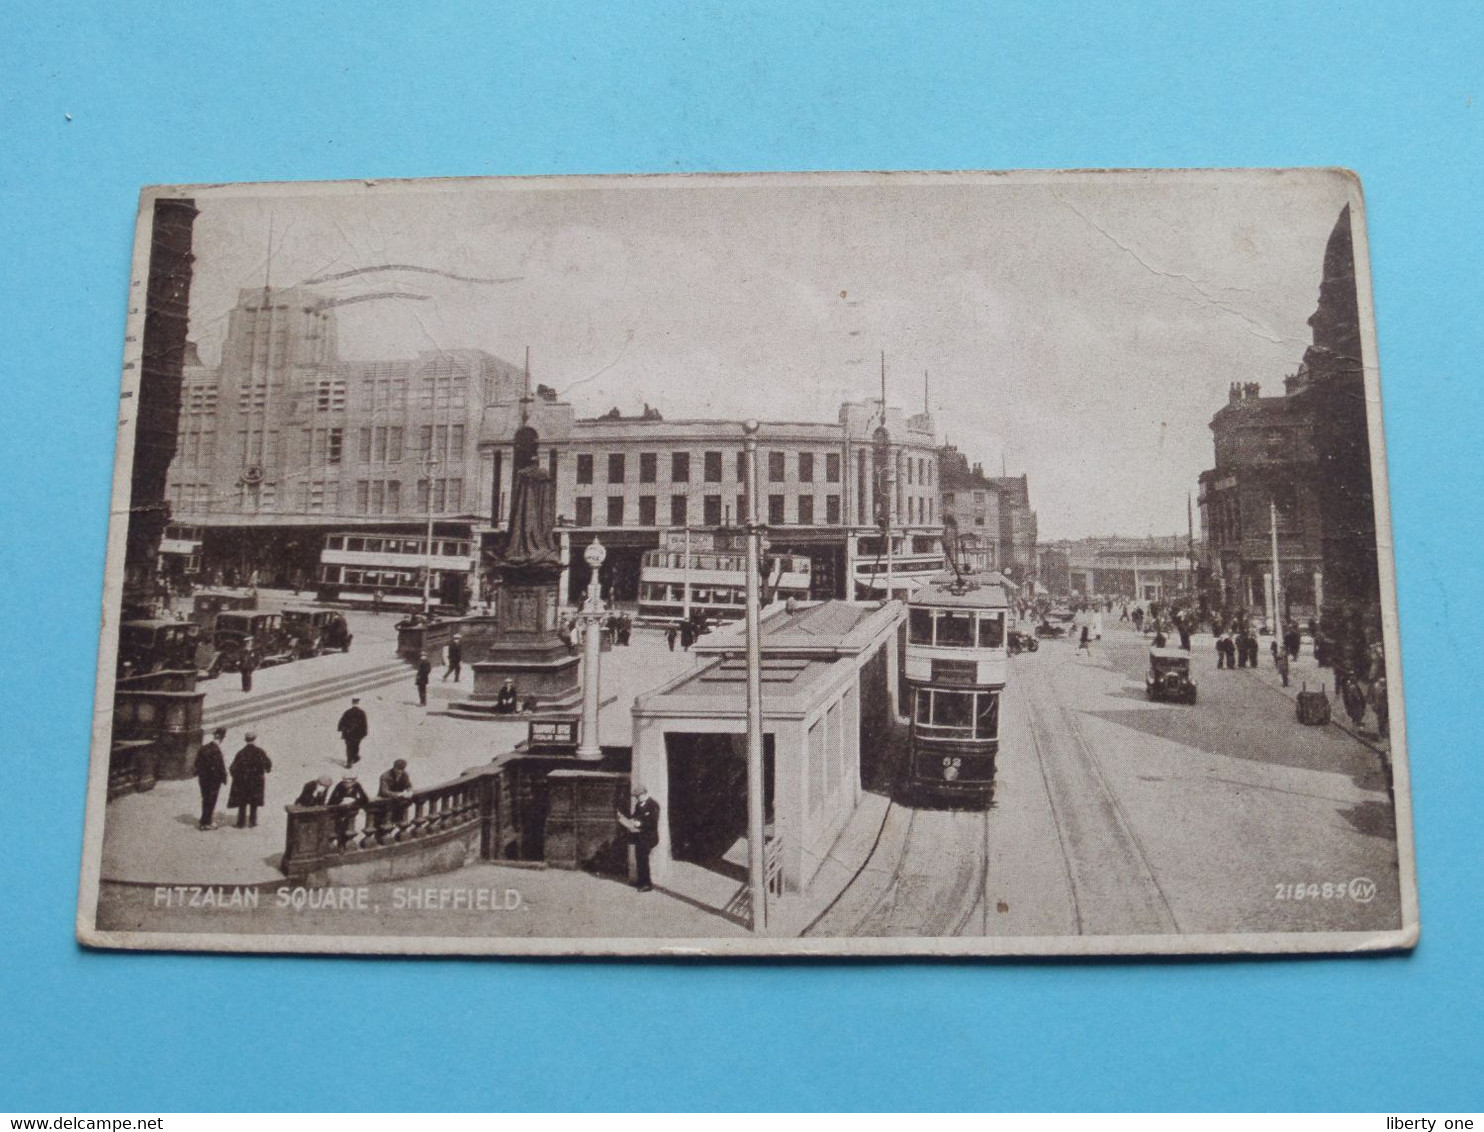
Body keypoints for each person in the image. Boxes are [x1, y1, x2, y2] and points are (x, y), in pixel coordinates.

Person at [616, 786, 661, 892]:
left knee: (644, 860)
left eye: (638, 796)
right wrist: (626, 819)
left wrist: (640, 823)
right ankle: (641, 881)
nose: (637, 798)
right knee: (639, 859)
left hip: (648, 837)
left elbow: (653, 822)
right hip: (639, 837)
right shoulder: (638, 805)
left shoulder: (653, 805)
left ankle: (647, 884)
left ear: (645, 793)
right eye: (636, 796)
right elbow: (634, 816)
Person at [227, 732, 271, 828]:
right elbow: (268, 765)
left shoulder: (241, 753)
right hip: (256, 782)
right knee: (254, 802)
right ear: (254, 739)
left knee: (242, 803)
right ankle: (252, 821)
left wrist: (237, 777)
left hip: (243, 783)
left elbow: (232, 768)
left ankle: (241, 822)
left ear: (245, 740)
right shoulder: (260, 752)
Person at [194, 726, 228, 830]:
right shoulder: (217, 751)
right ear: (222, 738)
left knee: (205, 799)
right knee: (211, 800)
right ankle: (207, 822)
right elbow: (220, 767)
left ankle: (204, 820)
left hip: (203, 779)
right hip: (213, 781)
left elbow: (197, 763)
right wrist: (224, 777)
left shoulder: (204, 748)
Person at [337, 696, 369, 768]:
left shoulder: (347, 712)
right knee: (356, 746)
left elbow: (342, 721)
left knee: (349, 747)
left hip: (348, 733)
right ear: (358, 703)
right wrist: (365, 732)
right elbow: (364, 724)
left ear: (352, 703)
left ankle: (349, 761)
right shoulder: (361, 713)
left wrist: (339, 729)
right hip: (358, 734)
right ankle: (355, 757)